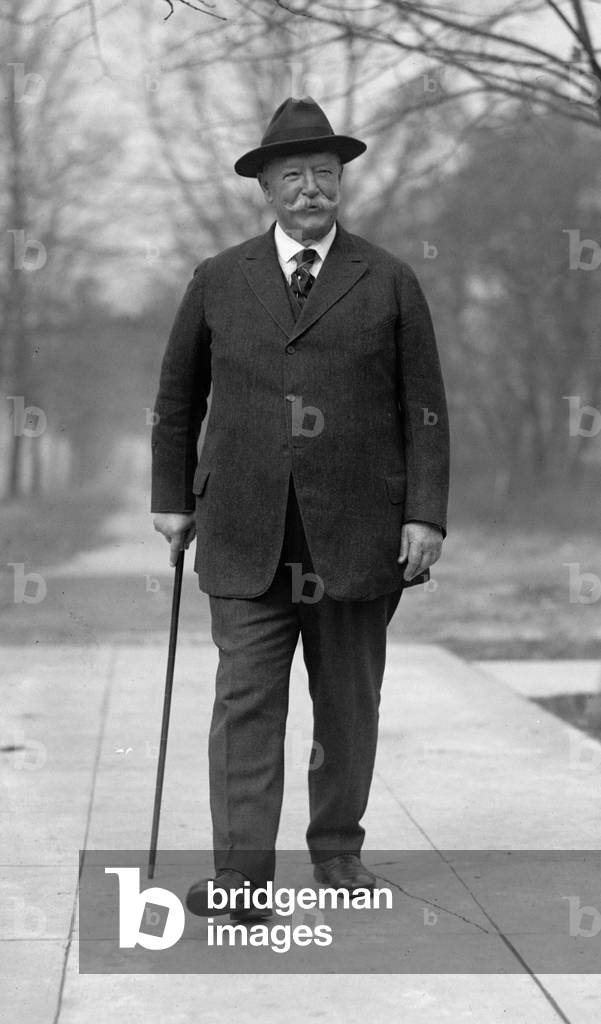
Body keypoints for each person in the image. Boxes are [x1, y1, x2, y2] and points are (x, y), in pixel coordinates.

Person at [151, 96, 449, 919]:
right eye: (293, 176)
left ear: (340, 181)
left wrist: (424, 515)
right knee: (244, 702)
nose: (310, 189)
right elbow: (178, 398)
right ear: (266, 187)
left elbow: (424, 407)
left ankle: (338, 854)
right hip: (244, 531)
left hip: (358, 536)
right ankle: (242, 879)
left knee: (346, 703)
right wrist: (170, 499)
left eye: (324, 173)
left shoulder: (388, 278)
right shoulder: (218, 278)